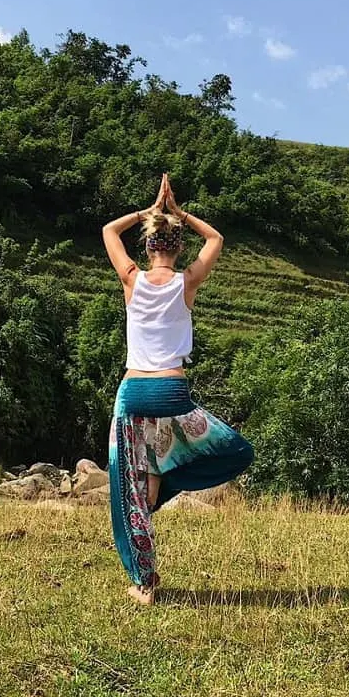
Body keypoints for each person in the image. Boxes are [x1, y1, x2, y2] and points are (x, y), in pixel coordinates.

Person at [102, 174, 254, 605]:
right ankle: (166, 478)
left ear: (147, 247)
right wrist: (180, 212)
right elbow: (217, 238)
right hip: (172, 394)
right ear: (177, 247)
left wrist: (148, 211)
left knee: (132, 488)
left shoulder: (130, 279)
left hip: (133, 395)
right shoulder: (187, 282)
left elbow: (109, 231)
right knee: (235, 452)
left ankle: (143, 584)